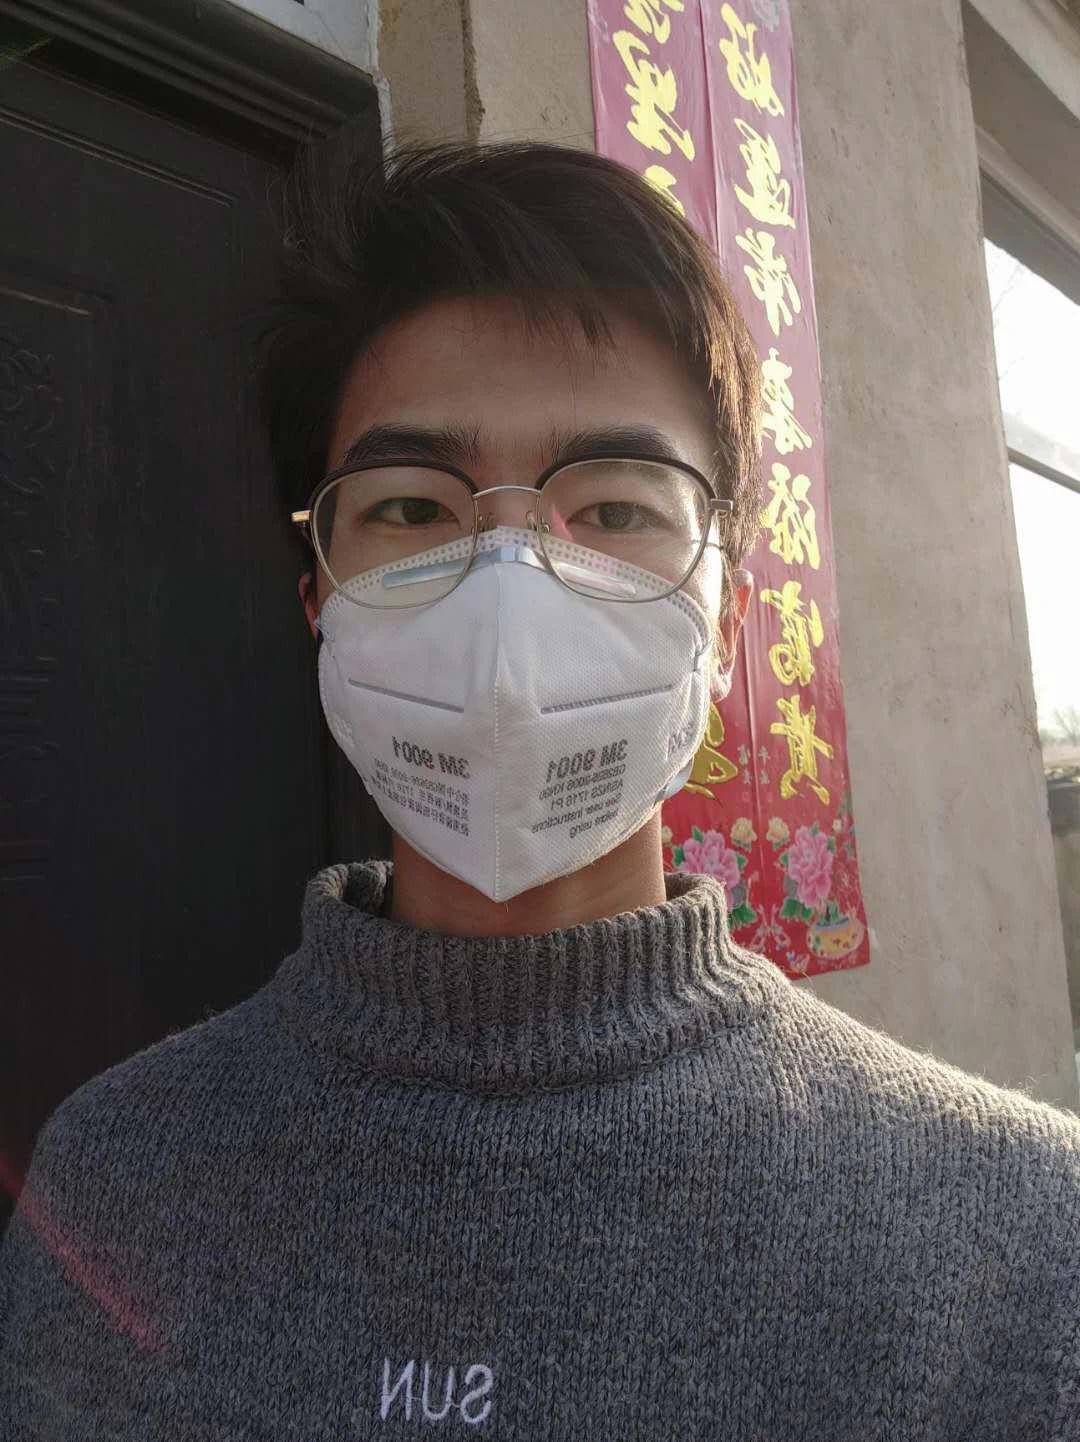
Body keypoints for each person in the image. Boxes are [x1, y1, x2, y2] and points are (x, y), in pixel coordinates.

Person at [1, 130, 1078, 1441]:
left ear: (726, 615)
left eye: (615, 510)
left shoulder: (1014, 1248)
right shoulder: (114, 1192)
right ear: (317, 597)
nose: (511, 595)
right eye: (414, 509)